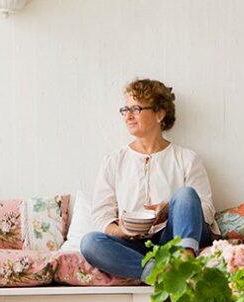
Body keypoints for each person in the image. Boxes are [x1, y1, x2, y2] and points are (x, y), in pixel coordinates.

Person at [81, 79, 217, 282]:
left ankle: (184, 261)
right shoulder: (113, 161)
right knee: (90, 242)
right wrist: (121, 231)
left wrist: (170, 210)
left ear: (159, 114)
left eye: (135, 109)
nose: (128, 116)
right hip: (136, 245)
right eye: (125, 109)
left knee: (185, 194)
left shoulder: (187, 158)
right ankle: (158, 273)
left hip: (174, 237)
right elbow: (101, 215)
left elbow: (206, 212)